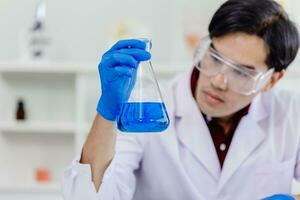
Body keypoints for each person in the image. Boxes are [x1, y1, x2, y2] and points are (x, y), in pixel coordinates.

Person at [62, 0, 300, 199]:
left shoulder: (291, 114)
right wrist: (106, 115)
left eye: (240, 72)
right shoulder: (149, 111)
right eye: (215, 58)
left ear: (272, 80)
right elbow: (89, 195)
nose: (218, 80)